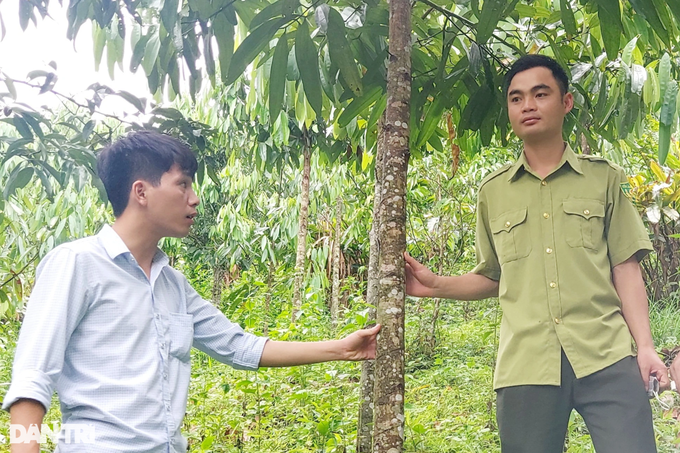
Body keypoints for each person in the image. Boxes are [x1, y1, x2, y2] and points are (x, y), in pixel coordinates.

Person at [2, 131, 380, 453]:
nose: (194, 198)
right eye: (182, 183)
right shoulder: (76, 263)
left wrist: (339, 349)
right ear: (141, 192)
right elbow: (32, 379)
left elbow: (238, 346)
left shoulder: (173, 285)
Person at [405, 54, 667, 453]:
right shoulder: (494, 192)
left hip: (607, 355)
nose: (527, 105)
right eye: (516, 98)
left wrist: (645, 347)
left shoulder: (603, 179)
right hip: (526, 364)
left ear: (566, 102)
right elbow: (493, 277)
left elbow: (625, 268)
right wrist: (435, 285)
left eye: (540, 94)